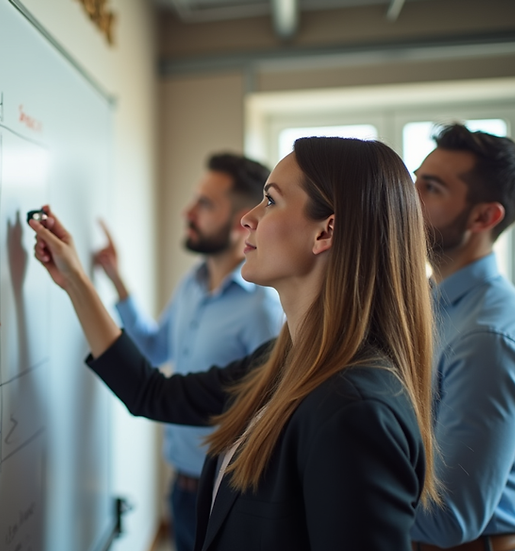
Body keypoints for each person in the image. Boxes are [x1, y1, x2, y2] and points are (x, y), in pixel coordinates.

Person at [28, 137, 440, 550]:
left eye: (271, 201)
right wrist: (75, 280)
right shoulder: (283, 361)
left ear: (325, 232)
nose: (248, 218)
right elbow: (152, 393)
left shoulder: (356, 412)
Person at [92, 153, 284, 551]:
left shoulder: (262, 311)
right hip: (180, 486)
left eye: (204, 204)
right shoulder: (191, 283)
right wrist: (116, 279)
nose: (188, 212)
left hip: (227, 493)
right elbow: (154, 348)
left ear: (241, 222)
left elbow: (267, 420)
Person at [410, 124, 515, 551]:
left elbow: (447, 520)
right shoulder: (429, 304)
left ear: (484, 217)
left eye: (431, 188)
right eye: (415, 180)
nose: (408, 198)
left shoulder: (488, 337)